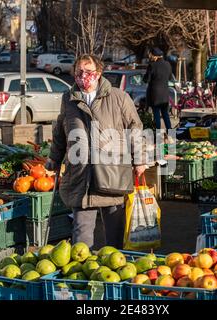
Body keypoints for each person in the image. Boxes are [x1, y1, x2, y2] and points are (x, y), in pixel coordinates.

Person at [47, 54, 147, 249]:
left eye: (89, 72)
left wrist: (140, 159)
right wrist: (54, 157)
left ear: (99, 73)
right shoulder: (69, 99)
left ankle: (114, 274)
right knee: (80, 237)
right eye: (79, 72)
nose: (84, 76)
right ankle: (81, 274)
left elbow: (135, 128)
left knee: (115, 236)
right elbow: (60, 131)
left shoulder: (119, 97)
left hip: (112, 174)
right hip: (81, 176)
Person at [143, 47, 173, 140]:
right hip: (165, 93)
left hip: (155, 94)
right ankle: (171, 134)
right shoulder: (168, 64)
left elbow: (146, 80)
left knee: (156, 114)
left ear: (154, 55)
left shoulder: (152, 65)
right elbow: (170, 78)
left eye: (151, 55)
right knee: (165, 115)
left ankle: (158, 135)